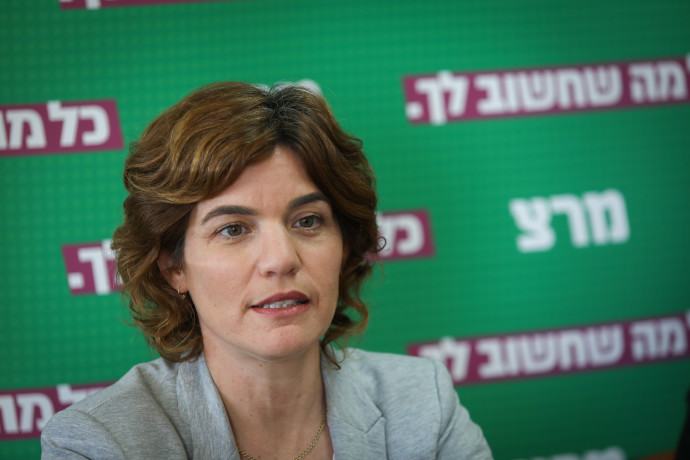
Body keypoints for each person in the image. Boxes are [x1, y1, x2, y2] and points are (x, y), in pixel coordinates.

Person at [41, 81, 492, 459]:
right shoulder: (100, 442)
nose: (281, 259)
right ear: (174, 268)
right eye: (233, 229)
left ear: (344, 244)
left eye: (308, 221)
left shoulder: (422, 402)